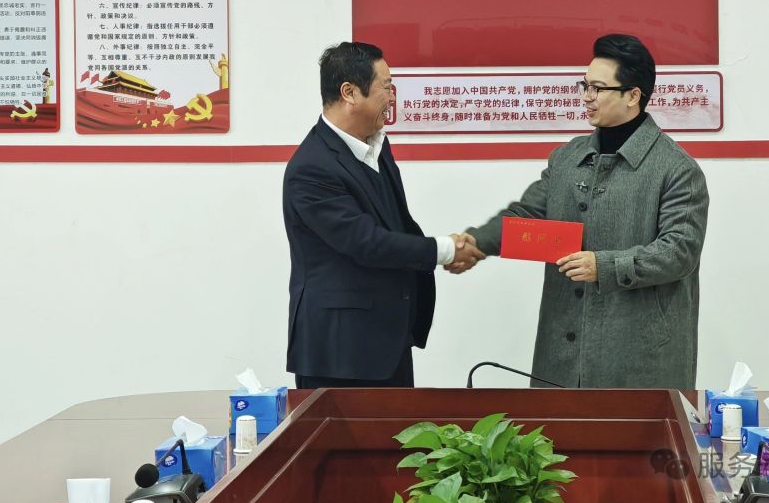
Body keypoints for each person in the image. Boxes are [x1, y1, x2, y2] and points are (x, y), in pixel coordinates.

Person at [466, 34, 709, 389]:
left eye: (598, 88)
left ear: (633, 95)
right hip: (561, 354)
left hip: (638, 359)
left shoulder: (677, 169)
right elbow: (526, 215)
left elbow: (679, 252)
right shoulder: (568, 157)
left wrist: (605, 266)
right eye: (584, 85)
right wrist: (472, 243)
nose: (586, 96)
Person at [283, 41, 484, 389]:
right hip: (340, 352)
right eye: (386, 87)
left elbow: (397, 224)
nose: (392, 97)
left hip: (388, 339)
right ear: (349, 92)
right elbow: (367, 242)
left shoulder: (376, 145)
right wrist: (447, 249)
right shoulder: (312, 168)